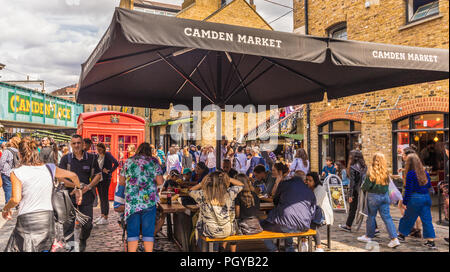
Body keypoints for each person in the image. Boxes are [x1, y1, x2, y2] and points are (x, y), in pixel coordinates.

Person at [2, 137, 83, 252]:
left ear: (19, 154)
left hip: (27, 221)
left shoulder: (16, 172)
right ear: (36, 152)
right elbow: (74, 176)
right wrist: (78, 189)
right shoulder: (50, 168)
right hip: (47, 220)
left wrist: (6, 209)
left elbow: (16, 199)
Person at [261, 163, 320, 252]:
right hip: (304, 225)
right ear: (304, 180)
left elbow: (275, 200)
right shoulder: (310, 191)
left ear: (292, 177)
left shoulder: (284, 184)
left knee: (261, 225)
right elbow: (312, 211)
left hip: (286, 224)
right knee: (287, 222)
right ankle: (289, 248)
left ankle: (273, 249)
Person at [59, 134, 102, 252]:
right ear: (71, 145)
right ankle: (72, 249)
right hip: (69, 195)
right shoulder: (65, 159)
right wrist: (76, 186)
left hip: (87, 195)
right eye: (74, 143)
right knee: (68, 225)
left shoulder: (92, 158)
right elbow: (61, 178)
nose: (77, 145)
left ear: (83, 144)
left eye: (79, 143)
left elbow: (98, 175)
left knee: (88, 223)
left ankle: (83, 239)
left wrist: (88, 187)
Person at [119, 142, 164, 252]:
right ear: (149, 151)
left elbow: (121, 181)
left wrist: (133, 183)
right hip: (149, 202)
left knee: (132, 232)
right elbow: (160, 181)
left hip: (132, 203)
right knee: (148, 232)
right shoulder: (153, 162)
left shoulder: (129, 161)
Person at [189, 171, 244, 249]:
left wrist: (201, 184)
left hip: (209, 231)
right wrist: (228, 178)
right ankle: (215, 249)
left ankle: (206, 250)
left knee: (198, 226)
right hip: (227, 231)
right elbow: (241, 185)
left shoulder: (202, 195)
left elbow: (190, 191)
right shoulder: (229, 193)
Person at [356, 153, 400, 248]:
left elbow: (366, 186)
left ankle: (368, 236)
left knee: (371, 216)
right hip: (385, 196)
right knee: (387, 218)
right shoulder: (386, 171)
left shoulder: (371, 171)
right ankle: (394, 239)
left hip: (373, 197)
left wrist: (362, 187)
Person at [397, 153, 437, 249]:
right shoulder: (424, 172)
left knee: (408, 217)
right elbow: (428, 186)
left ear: (409, 163)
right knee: (427, 220)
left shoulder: (410, 174)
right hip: (426, 198)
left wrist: (405, 202)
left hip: (415, 198)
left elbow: (408, 190)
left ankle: (401, 235)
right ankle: (430, 241)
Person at [224, 174, 262, 252]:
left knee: (231, 226)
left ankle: (225, 249)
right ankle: (223, 247)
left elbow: (237, 214)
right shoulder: (254, 195)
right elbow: (257, 210)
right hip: (256, 226)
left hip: (245, 227)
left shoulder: (238, 195)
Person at [305, 172, 334, 252]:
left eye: (310, 180)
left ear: (315, 181)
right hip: (314, 212)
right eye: (306, 180)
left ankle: (319, 247)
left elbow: (315, 204)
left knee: (311, 223)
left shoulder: (320, 189)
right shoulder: (309, 188)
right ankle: (304, 242)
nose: (308, 182)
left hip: (323, 214)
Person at [339, 150, 367, 232]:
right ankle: (375, 228)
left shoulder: (353, 167)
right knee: (367, 208)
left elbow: (352, 182)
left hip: (355, 191)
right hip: (364, 190)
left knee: (353, 208)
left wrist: (350, 195)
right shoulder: (364, 166)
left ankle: (348, 226)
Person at [398, 146, 423, 238]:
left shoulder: (410, 164)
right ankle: (417, 230)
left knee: (403, 207)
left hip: (409, 190)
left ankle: (410, 228)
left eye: (403, 154)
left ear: (408, 155)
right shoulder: (416, 164)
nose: (402, 156)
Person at [93, 143, 119, 226]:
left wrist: (109, 171)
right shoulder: (97, 156)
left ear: (103, 149)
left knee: (105, 197)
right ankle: (102, 215)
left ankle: (105, 217)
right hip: (98, 179)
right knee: (101, 197)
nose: (98, 151)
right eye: (97, 149)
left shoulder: (107, 155)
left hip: (105, 179)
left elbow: (116, 163)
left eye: (100, 149)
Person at [0, 136, 20, 205]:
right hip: (16, 172)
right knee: (15, 188)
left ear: (12, 142)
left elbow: (2, 162)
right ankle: (16, 204)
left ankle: (8, 205)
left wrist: (1, 170)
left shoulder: (7, 151)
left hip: (6, 173)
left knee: (8, 189)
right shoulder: (18, 151)